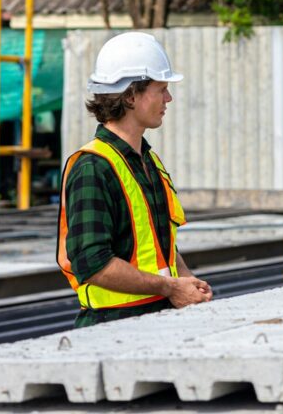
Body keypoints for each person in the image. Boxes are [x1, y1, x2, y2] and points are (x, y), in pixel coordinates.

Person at [56, 32, 211, 327]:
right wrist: (169, 287)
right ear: (130, 96)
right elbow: (94, 263)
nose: (169, 98)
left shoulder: (147, 161)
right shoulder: (93, 167)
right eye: (161, 89)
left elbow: (157, 244)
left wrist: (186, 280)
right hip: (111, 329)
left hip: (156, 321)